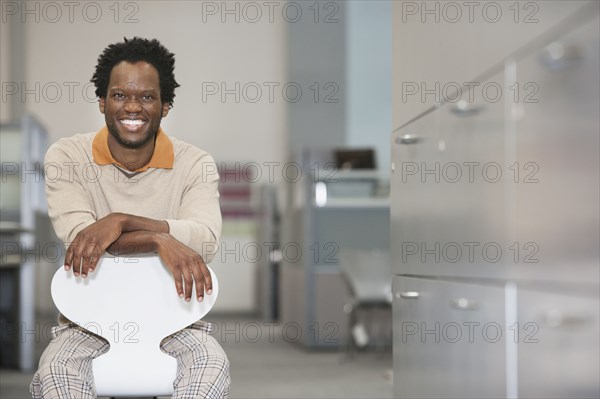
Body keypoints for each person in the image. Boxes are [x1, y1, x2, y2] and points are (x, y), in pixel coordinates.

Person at [30, 37, 230, 398]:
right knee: (57, 369)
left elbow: (205, 240)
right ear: (102, 101)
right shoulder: (67, 156)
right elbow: (83, 242)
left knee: (211, 365)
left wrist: (119, 221)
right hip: (87, 323)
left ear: (165, 105)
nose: (133, 107)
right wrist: (160, 239)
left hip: (177, 322)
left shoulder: (196, 163)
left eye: (148, 97)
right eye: (120, 95)